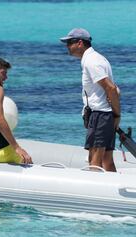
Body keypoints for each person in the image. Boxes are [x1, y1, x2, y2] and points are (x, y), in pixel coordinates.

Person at [60, 28, 120, 172]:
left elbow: (111, 88)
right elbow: (114, 89)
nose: (67, 46)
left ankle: (97, 191)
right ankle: (112, 190)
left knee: (94, 160)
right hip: (103, 114)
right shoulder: (95, 58)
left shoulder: (92, 61)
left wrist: (117, 115)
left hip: (100, 114)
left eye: (69, 42)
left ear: (80, 43)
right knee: (107, 159)